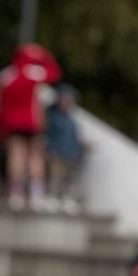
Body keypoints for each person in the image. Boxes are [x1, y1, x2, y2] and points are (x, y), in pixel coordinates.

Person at [0, 43, 61, 210]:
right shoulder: (33, 72)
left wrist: (0, 127)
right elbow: (55, 73)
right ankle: (36, 193)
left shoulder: (6, 75)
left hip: (11, 123)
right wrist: (45, 55)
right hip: (31, 121)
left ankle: (16, 194)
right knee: (35, 156)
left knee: (16, 155)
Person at [43, 84, 85, 212]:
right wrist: (48, 150)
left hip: (70, 154)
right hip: (56, 153)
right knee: (55, 177)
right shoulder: (51, 117)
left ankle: (67, 199)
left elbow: (74, 137)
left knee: (69, 178)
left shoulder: (71, 120)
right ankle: (51, 197)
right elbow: (47, 135)